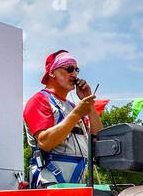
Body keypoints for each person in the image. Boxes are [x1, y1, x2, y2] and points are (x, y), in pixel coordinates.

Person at [23, 50, 102, 187]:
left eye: (77, 70)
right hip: (49, 184)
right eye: (69, 69)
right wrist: (76, 114)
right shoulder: (40, 100)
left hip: (77, 185)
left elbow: (99, 138)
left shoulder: (73, 106)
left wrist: (89, 104)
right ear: (52, 72)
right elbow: (45, 142)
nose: (74, 74)